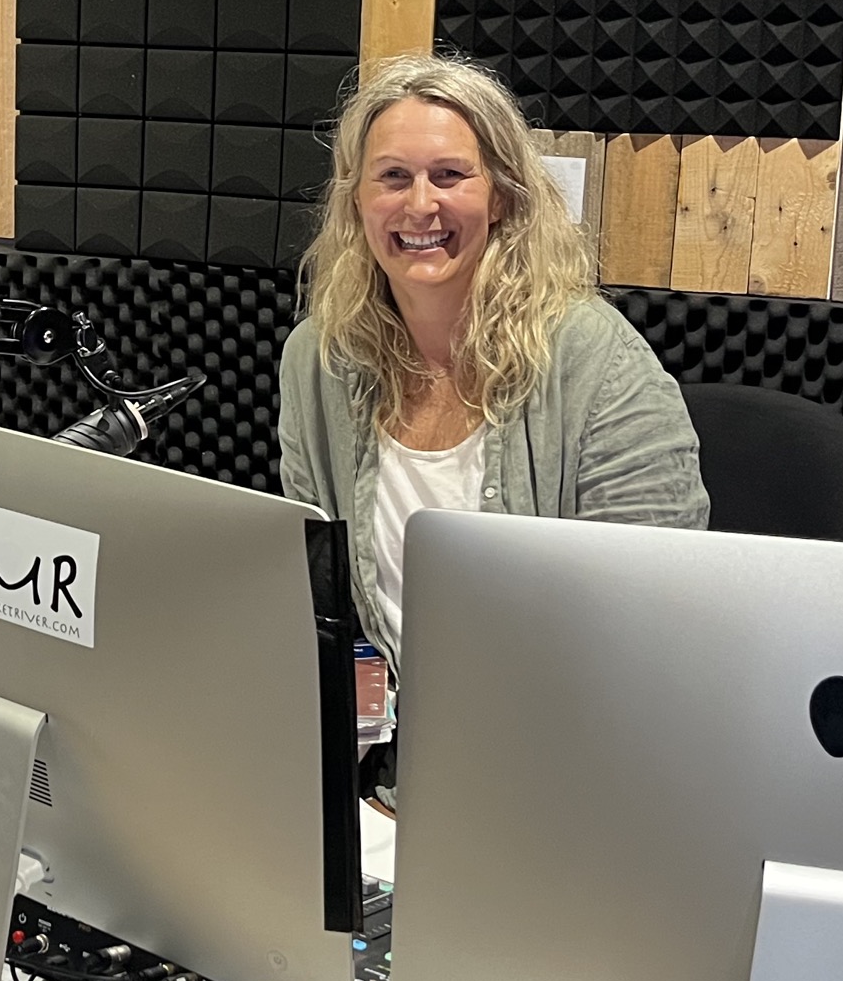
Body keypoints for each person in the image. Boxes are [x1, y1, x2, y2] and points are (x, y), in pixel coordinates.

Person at [279, 52, 706, 671]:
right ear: (356, 201)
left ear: (502, 196)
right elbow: (320, 593)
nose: (420, 205)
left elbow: (660, 604)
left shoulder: (597, 361)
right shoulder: (319, 359)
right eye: (393, 177)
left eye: (450, 175)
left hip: (560, 729)